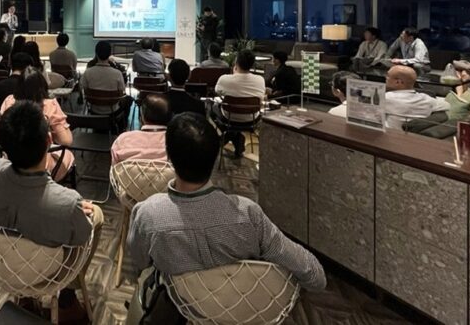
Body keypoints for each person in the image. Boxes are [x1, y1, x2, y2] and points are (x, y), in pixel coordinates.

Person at [126, 113, 325, 319]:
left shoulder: (147, 215)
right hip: (245, 312)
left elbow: (140, 261)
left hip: (180, 309)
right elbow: (315, 276)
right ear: (214, 158)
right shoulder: (249, 215)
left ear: (168, 156)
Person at [0, 100, 101, 321]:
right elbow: (82, 239)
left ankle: (24, 299)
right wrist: (79, 212)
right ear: (49, 141)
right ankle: (67, 299)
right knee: (96, 214)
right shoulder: (67, 202)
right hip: (47, 273)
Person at [0, 69, 74, 181]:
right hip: (41, 165)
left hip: (11, 161)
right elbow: (66, 140)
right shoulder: (50, 105)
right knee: (68, 154)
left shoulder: (8, 101)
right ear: (43, 87)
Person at [215, 50, 266, 158]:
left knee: (212, 106)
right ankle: (237, 140)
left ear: (236, 62)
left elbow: (217, 91)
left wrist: (234, 75)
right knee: (235, 122)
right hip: (251, 119)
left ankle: (226, 138)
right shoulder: (260, 80)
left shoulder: (225, 79)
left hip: (228, 117)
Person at [111, 94, 171, 165]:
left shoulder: (123, 139)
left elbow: (114, 168)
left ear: (142, 117)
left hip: (130, 172)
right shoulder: (177, 142)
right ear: (170, 117)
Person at [384, 65, 449, 130]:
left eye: (388, 76)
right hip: (412, 134)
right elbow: (447, 106)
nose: (386, 78)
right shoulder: (426, 99)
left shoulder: (387, 98)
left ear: (398, 82)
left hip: (389, 133)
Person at [82, 41, 127, 115]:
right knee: (129, 100)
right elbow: (121, 92)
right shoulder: (118, 73)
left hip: (94, 110)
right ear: (110, 54)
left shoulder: (87, 72)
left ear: (96, 53)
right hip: (113, 111)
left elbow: (84, 89)